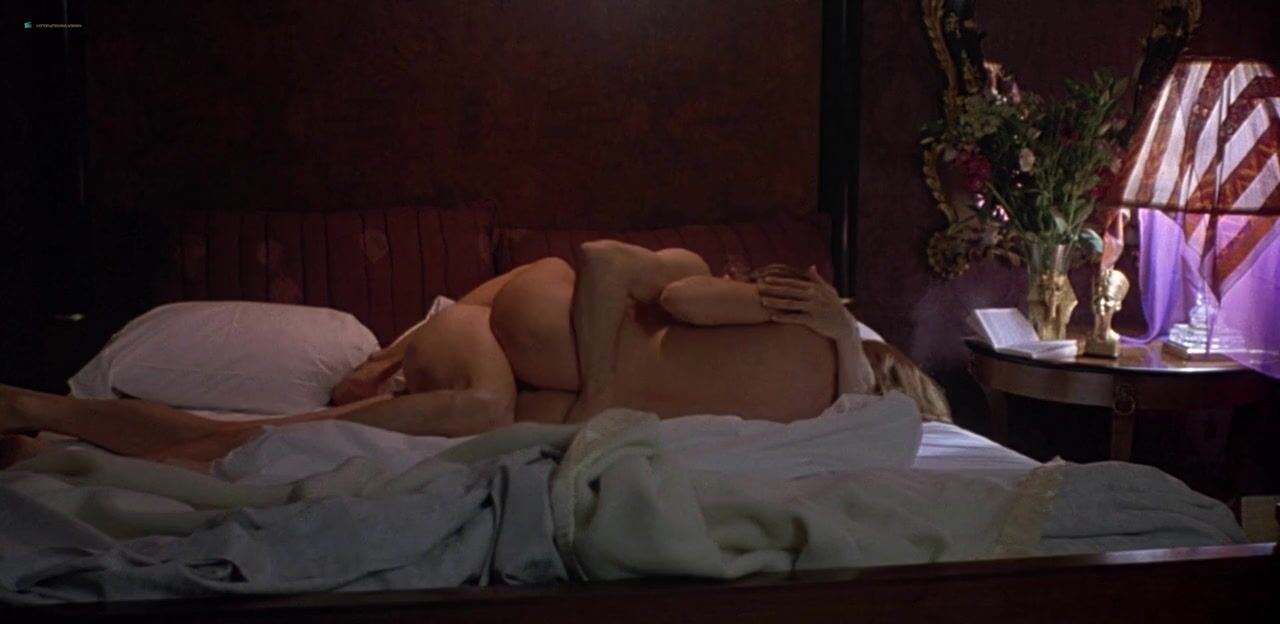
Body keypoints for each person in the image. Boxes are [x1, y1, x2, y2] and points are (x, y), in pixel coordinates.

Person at [1, 241, 930, 471]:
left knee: (286, 442)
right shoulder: (779, 315)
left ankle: (48, 422)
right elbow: (613, 265)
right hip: (517, 324)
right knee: (297, 428)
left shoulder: (812, 420)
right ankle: (54, 413)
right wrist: (604, 400)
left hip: (532, 377)